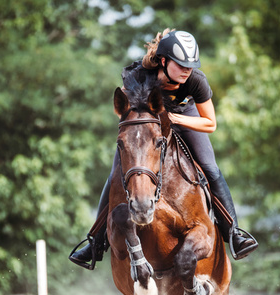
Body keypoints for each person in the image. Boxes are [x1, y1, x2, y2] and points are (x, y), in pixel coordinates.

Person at [70, 29, 257, 269]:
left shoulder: (196, 81)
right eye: (180, 65)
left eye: (190, 65)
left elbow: (210, 123)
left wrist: (175, 120)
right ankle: (96, 242)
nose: (186, 70)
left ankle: (234, 233)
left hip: (183, 116)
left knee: (210, 166)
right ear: (164, 61)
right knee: (116, 171)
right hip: (148, 123)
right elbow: (127, 112)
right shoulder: (137, 75)